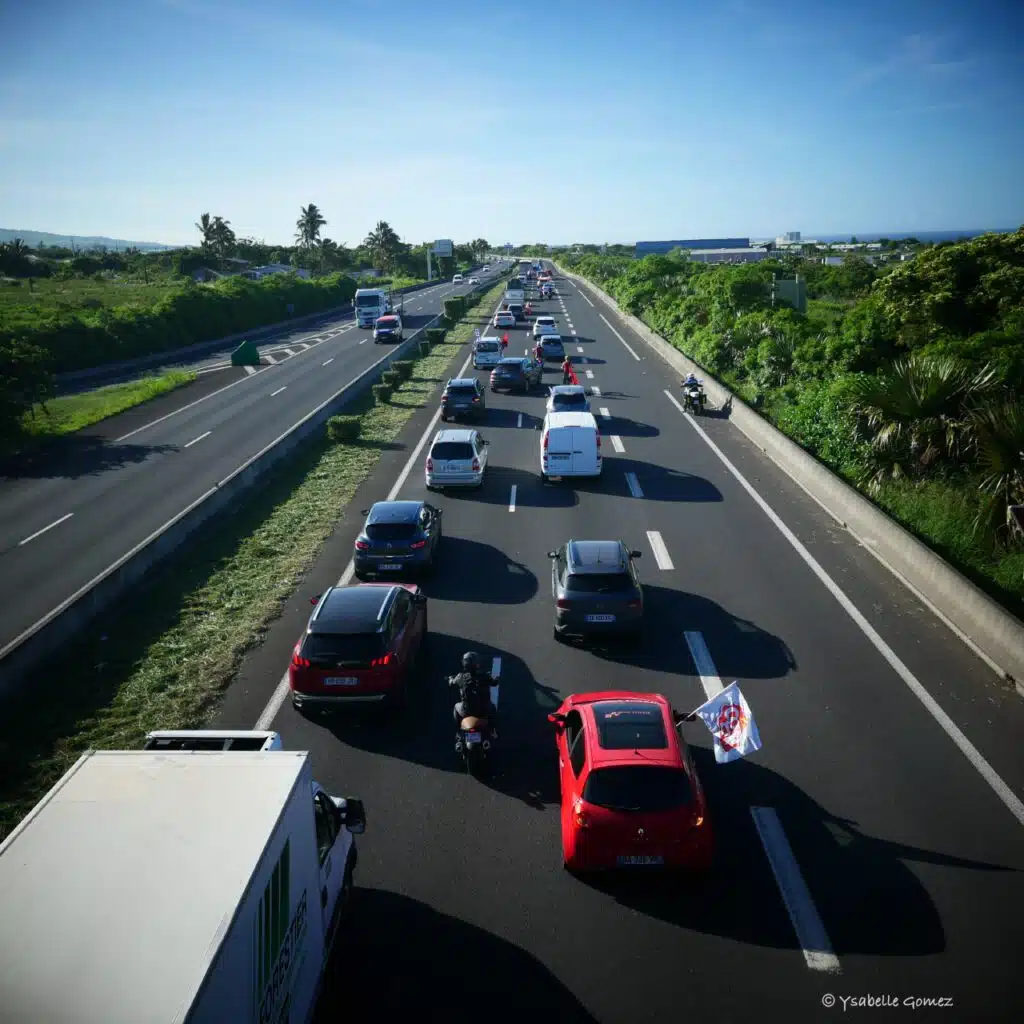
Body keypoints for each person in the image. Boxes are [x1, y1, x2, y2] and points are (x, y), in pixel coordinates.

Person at [450, 652, 497, 739]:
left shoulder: (460, 677)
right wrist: (494, 678)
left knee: (456, 707)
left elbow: (452, 683)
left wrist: (451, 679)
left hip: (466, 711)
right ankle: (492, 730)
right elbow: (495, 683)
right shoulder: (484, 676)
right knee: (493, 707)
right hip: (483, 710)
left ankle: (458, 732)